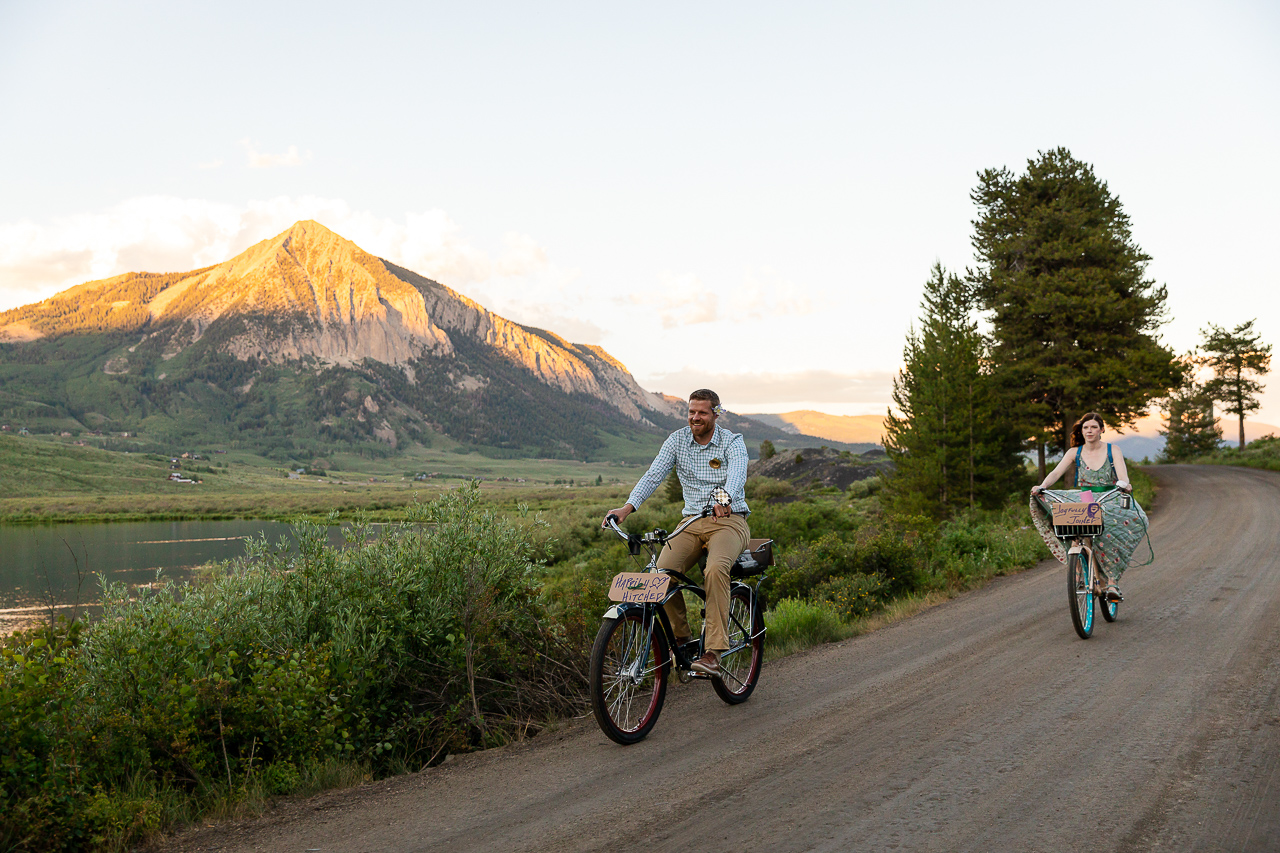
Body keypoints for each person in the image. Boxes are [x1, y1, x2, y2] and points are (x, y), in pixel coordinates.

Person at [603, 389, 750, 676]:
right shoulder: (678, 440)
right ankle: (681, 641)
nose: (696, 417)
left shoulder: (732, 442)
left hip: (729, 519)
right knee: (659, 574)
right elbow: (653, 475)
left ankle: (713, 652)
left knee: (716, 569)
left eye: (703, 412)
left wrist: (725, 498)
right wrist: (627, 508)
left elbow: (737, 473)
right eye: (692, 412)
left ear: (716, 414)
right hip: (691, 522)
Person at [1030, 412, 1149, 602]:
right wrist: (1043, 486)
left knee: (1114, 527)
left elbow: (1123, 475)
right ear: (1081, 430)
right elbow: (1056, 472)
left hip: (1109, 495)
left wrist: (1124, 484)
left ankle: (1111, 582)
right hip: (1084, 496)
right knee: (1071, 527)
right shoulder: (1074, 452)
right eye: (1086, 427)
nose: (1089, 431)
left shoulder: (1113, 450)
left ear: (1101, 430)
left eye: (1093, 427)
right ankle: (1078, 569)